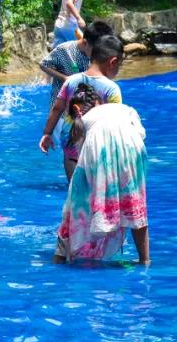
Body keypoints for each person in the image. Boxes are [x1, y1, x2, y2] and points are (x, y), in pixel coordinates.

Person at [53, 84, 150, 264]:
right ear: (98, 101)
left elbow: (83, 156)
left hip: (99, 150)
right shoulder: (124, 109)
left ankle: (59, 258)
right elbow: (141, 134)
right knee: (134, 204)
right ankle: (145, 260)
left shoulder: (84, 121)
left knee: (75, 200)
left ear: (77, 110)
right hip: (133, 148)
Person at [38, 34, 125, 181]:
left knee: (73, 182)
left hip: (70, 139)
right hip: (97, 143)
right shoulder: (111, 88)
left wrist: (47, 134)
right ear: (113, 62)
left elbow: (57, 108)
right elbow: (116, 121)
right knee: (94, 185)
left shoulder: (71, 80)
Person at [41, 20, 114, 109]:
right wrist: (64, 78)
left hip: (85, 105)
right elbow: (44, 65)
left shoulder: (96, 55)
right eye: (96, 50)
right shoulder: (64, 50)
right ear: (85, 43)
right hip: (61, 105)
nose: (98, 54)